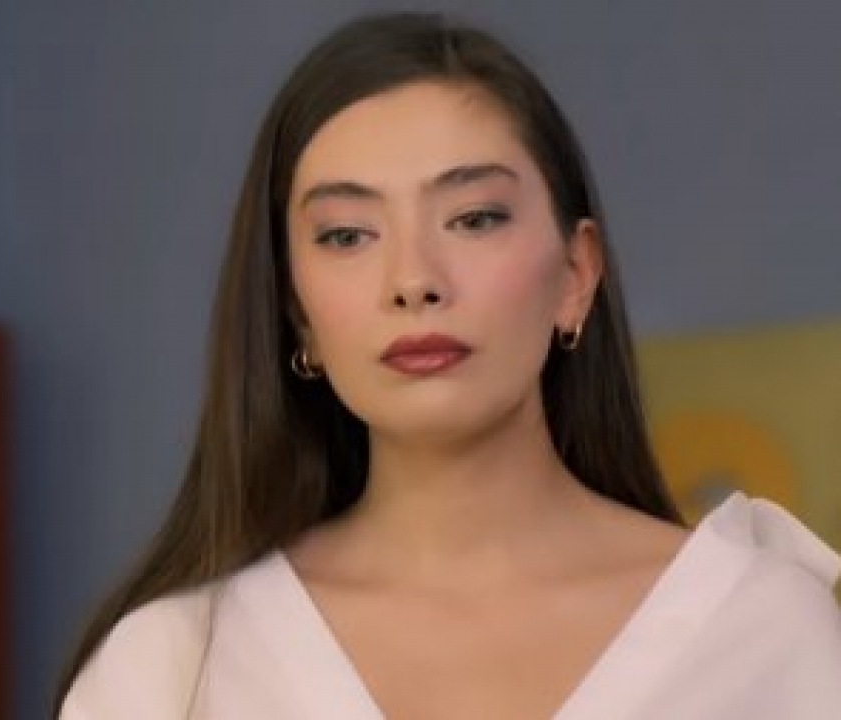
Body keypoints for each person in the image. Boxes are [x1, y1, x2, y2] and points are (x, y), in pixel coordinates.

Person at [56, 11, 841, 719]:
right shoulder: (171, 664)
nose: (414, 280)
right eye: (347, 235)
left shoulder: (763, 632)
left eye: (473, 218)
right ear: (298, 312)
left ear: (576, 274)